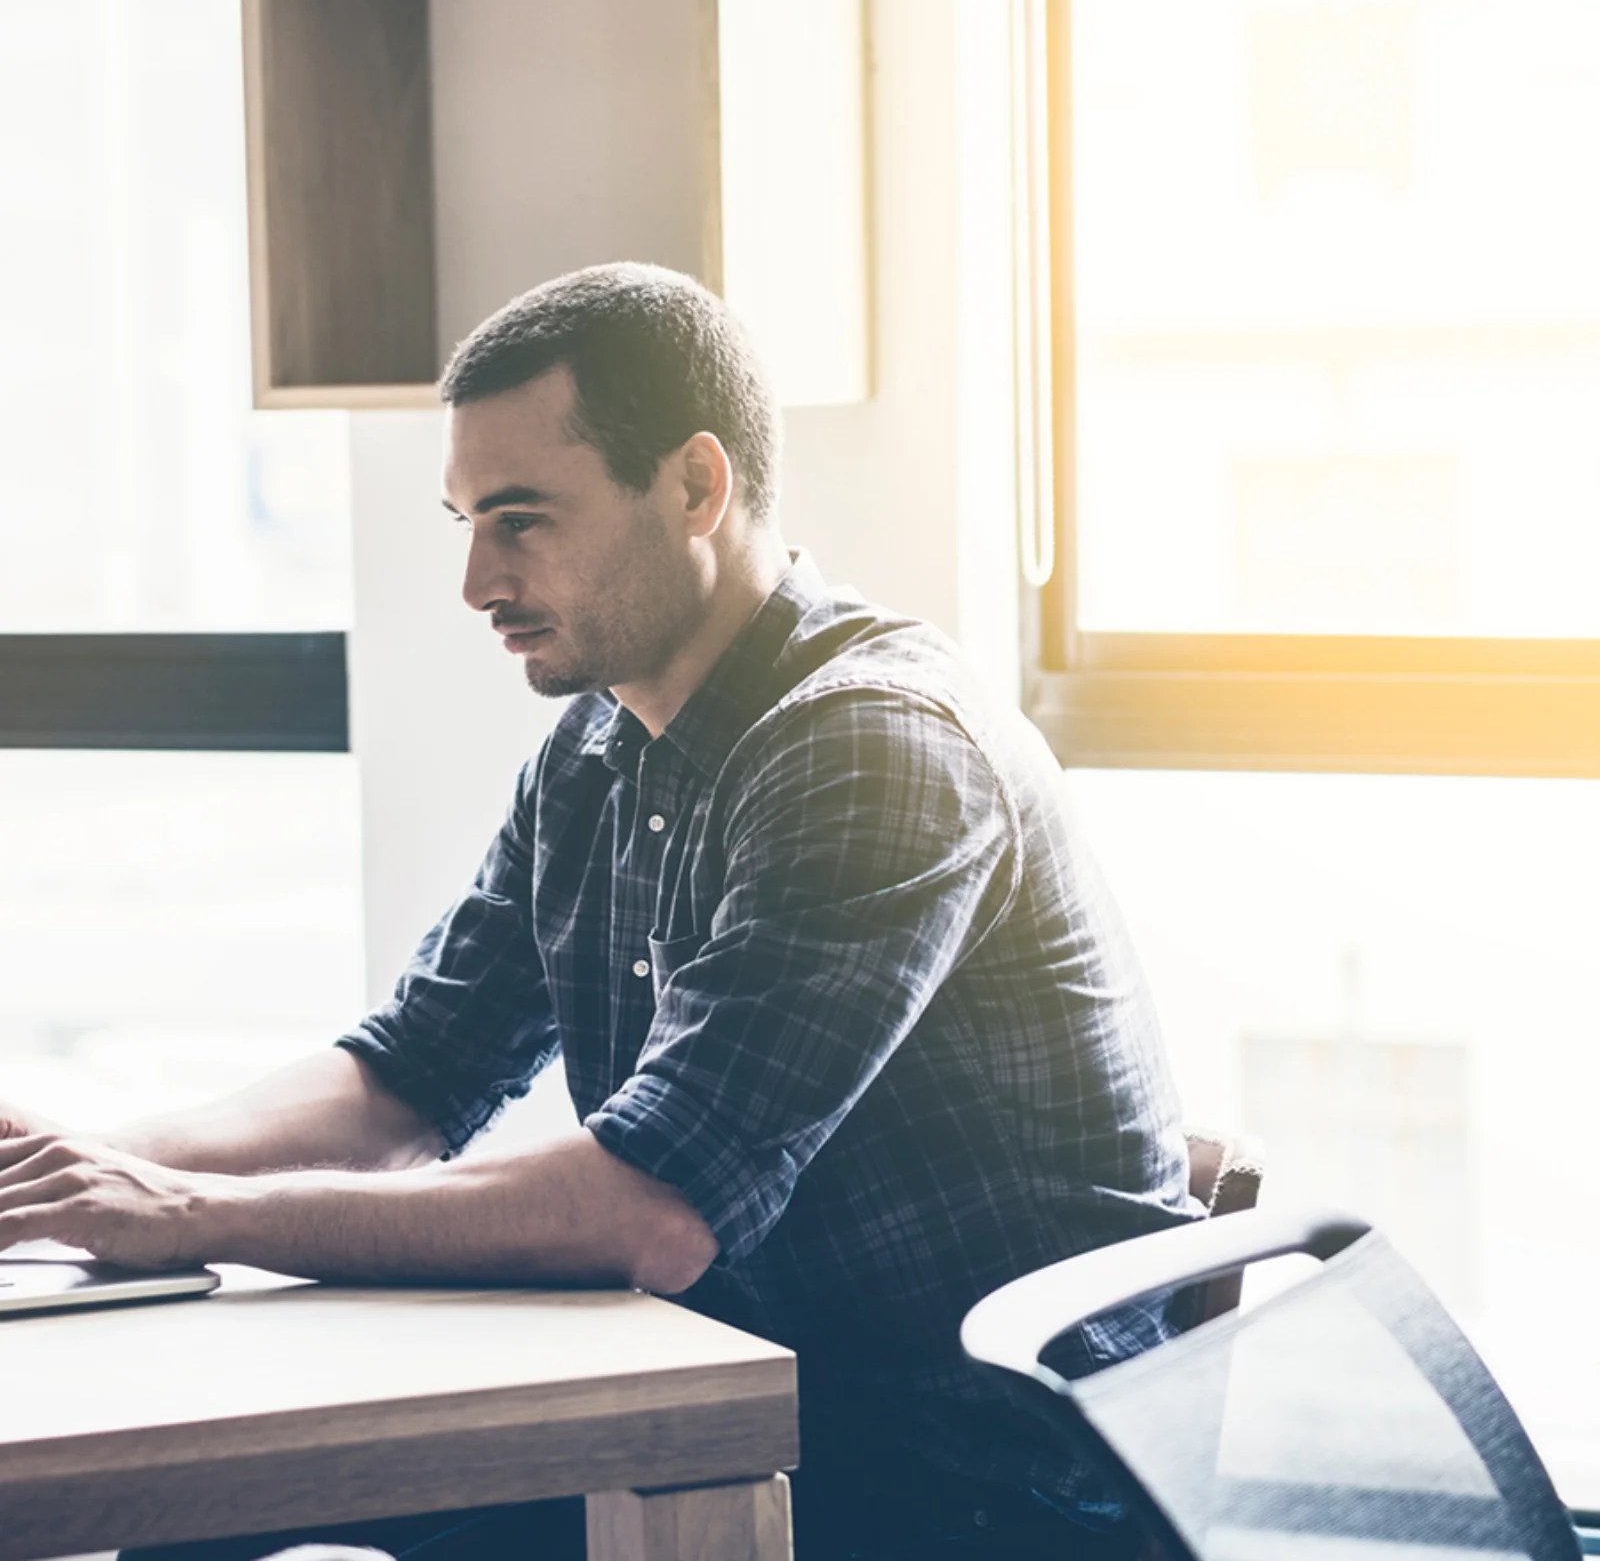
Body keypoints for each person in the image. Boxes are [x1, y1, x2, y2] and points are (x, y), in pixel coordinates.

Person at [0, 264, 1198, 1560]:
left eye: (521, 521)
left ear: (695, 486)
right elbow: (410, 1075)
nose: (474, 581)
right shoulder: (600, 742)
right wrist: (73, 1176)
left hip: (975, 1480)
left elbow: (653, 1210)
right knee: (204, 1513)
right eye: (465, 520)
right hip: (753, 1394)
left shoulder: (872, 747)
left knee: (219, 1512)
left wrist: (193, 1215)